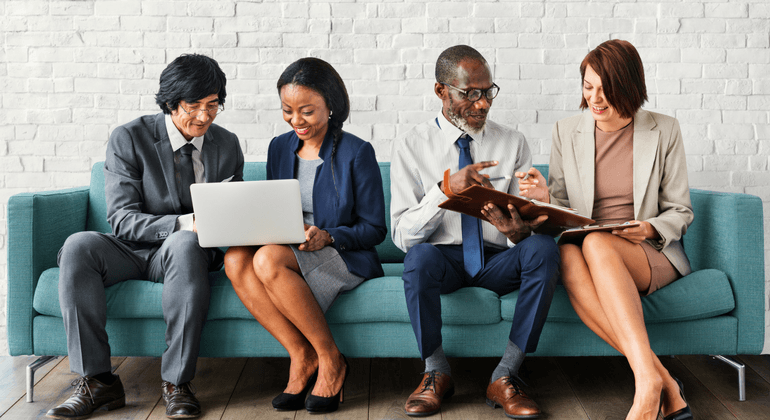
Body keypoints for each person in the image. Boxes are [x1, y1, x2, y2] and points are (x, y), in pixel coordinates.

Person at [48, 54, 244, 420]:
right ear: (171, 103)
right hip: (129, 248)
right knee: (77, 245)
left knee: (185, 244)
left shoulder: (227, 145)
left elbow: (231, 212)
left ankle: (176, 383)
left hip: (186, 254)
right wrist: (188, 223)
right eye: (194, 106)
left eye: (213, 105)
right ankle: (97, 381)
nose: (204, 116)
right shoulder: (129, 137)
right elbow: (121, 219)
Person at [519, 39, 694, 420]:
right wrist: (545, 197)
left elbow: (681, 209)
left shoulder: (664, 130)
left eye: (606, 89)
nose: (595, 98)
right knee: (569, 250)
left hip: (650, 251)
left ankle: (649, 382)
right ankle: (654, 377)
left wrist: (649, 227)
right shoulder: (567, 131)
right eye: (588, 86)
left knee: (597, 243)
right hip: (590, 245)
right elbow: (563, 209)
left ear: (630, 87)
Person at [390, 45, 560, 419]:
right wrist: (445, 189)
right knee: (418, 257)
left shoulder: (512, 142)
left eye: (487, 92)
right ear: (441, 91)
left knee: (544, 248)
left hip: (498, 260)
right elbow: (402, 237)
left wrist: (518, 232)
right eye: (470, 93)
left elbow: (526, 225)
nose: (482, 104)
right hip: (444, 262)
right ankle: (435, 371)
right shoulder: (411, 145)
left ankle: (506, 375)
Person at [224, 57, 386, 414]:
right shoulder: (279, 147)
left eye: (307, 111)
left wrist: (327, 235)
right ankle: (301, 355)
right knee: (235, 257)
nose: (296, 120)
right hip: (289, 248)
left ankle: (330, 358)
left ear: (331, 107)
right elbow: (274, 209)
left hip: (342, 253)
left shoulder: (357, 152)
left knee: (266, 257)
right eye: (287, 110)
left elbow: (375, 229)